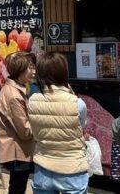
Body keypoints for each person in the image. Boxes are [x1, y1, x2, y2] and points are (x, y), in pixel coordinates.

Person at [28, 52, 89, 194]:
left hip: (43, 167)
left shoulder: (32, 100)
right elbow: (81, 128)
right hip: (72, 168)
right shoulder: (77, 103)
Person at [0, 52, 36, 194]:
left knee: (17, 188)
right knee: (17, 189)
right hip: (17, 151)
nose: (33, 71)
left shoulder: (14, 90)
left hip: (19, 150)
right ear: (20, 71)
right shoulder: (14, 95)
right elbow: (25, 132)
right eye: (29, 68)